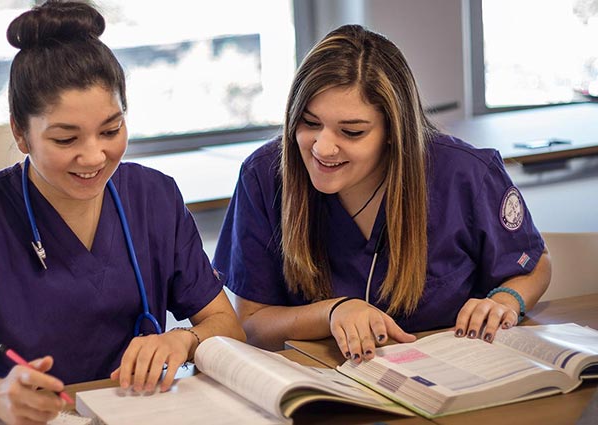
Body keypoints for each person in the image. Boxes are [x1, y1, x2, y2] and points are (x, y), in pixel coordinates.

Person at [0, 1, 244, 423]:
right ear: (20, 132)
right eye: (65, 139)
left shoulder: (153, 197)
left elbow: (226, 325)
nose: (94, 156)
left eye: (111, 130)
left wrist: (184, 340)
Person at [213, 24, 550, 362]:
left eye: (352, 131)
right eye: (309, 123)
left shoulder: (465, 174)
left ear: (393, 131)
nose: (323, 147)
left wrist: (506, 300)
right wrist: (332, 312)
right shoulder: (264, 175)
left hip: (452, 372)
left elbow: (533, 264)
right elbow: (252, 322)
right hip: (329, 380)